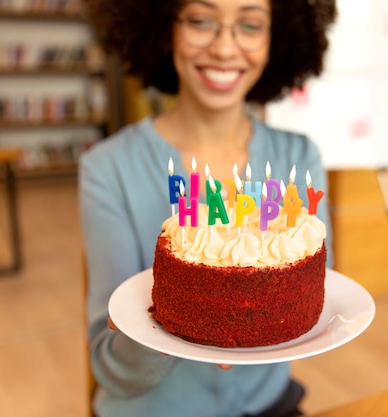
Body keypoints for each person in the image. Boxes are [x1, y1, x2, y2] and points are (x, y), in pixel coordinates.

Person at [79, 0, 336, 416]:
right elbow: (107, 362)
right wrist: (185, 322)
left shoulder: (299, 157)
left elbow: (315, 287)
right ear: (164, 26)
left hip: (270, 405)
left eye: (250, 25)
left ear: (278, 36)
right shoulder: (107, 168)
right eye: (201, 19)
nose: (224, 48)